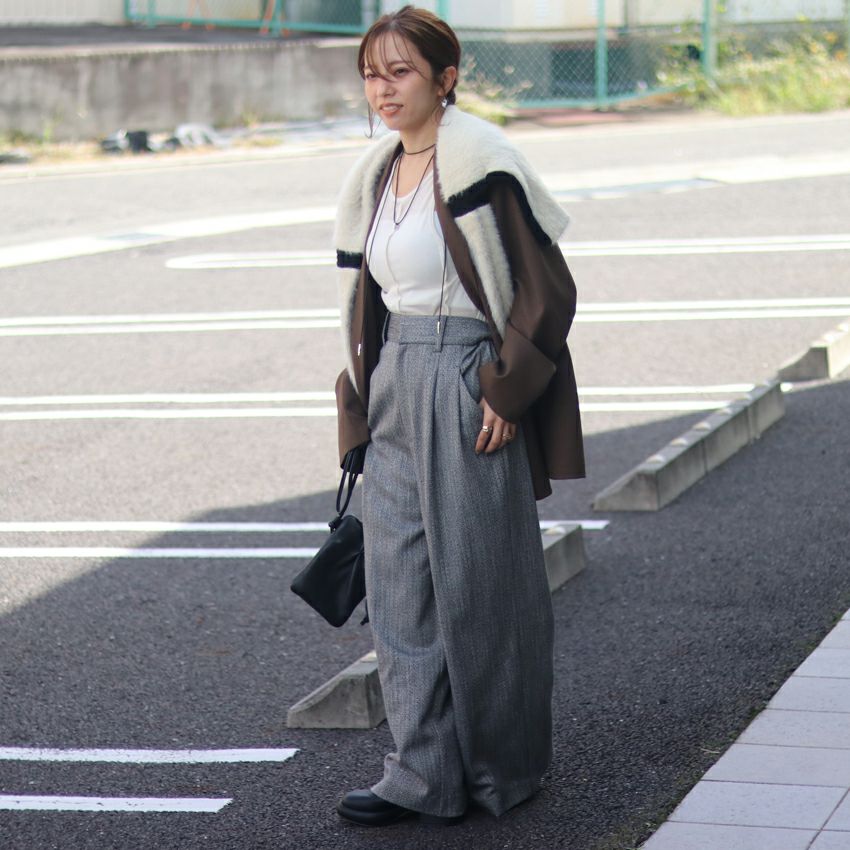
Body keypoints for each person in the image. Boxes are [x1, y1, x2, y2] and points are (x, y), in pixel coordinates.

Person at [332, 4, 585, 828]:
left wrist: (506, 390)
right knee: (398, 589)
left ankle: (502, 767)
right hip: (394, 377)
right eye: (372, 74)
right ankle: (422, 774)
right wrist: (358, 401)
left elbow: (548, 289)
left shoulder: (480, 159)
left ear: (445, 79)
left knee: (483, 587)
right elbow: (365, 300)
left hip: (464, 372)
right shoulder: (376, 172)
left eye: (400, 72)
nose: (383, 89)